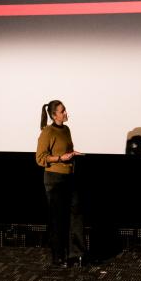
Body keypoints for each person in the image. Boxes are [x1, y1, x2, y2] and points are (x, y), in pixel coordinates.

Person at [35, 100, 86, 267]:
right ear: (54, 115)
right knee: (57, 219)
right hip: (54, 179)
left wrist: (72, 154)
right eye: (62, 111)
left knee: (76, 215)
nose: (65, 113)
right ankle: (58, 257)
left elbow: (65, 149)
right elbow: (40, 158)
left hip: (69, 177)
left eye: (65, 110)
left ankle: (75, 255)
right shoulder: (47, 132)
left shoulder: (66, 129)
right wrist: (60, 158)